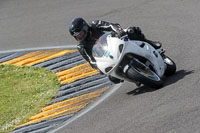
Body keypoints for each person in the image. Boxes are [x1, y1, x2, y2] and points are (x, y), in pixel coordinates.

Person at [69, 17, 162, 84]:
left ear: (85, 28)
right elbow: (91, 61)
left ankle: (150, 43)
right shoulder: (81, 47)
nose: (79, 37)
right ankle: (135, 78)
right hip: (107, 56)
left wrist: (119, 31)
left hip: (115, 42)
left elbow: (111, 25)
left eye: (80, 34)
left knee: (132, 31)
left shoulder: (94, 24)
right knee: (113, 78)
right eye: (77, 36)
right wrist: (99, 67)